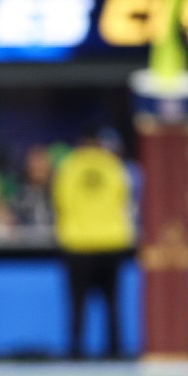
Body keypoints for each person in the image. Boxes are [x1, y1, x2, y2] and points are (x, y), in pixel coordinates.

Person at [51, 125, 135, 359]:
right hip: (110, 241)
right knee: (112, 303)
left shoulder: (68, 166)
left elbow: (60, 202)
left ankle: (76, 351)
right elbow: (125, 200)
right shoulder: (113, 166)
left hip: (78, 243)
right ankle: (114, 351)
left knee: (77, 303)